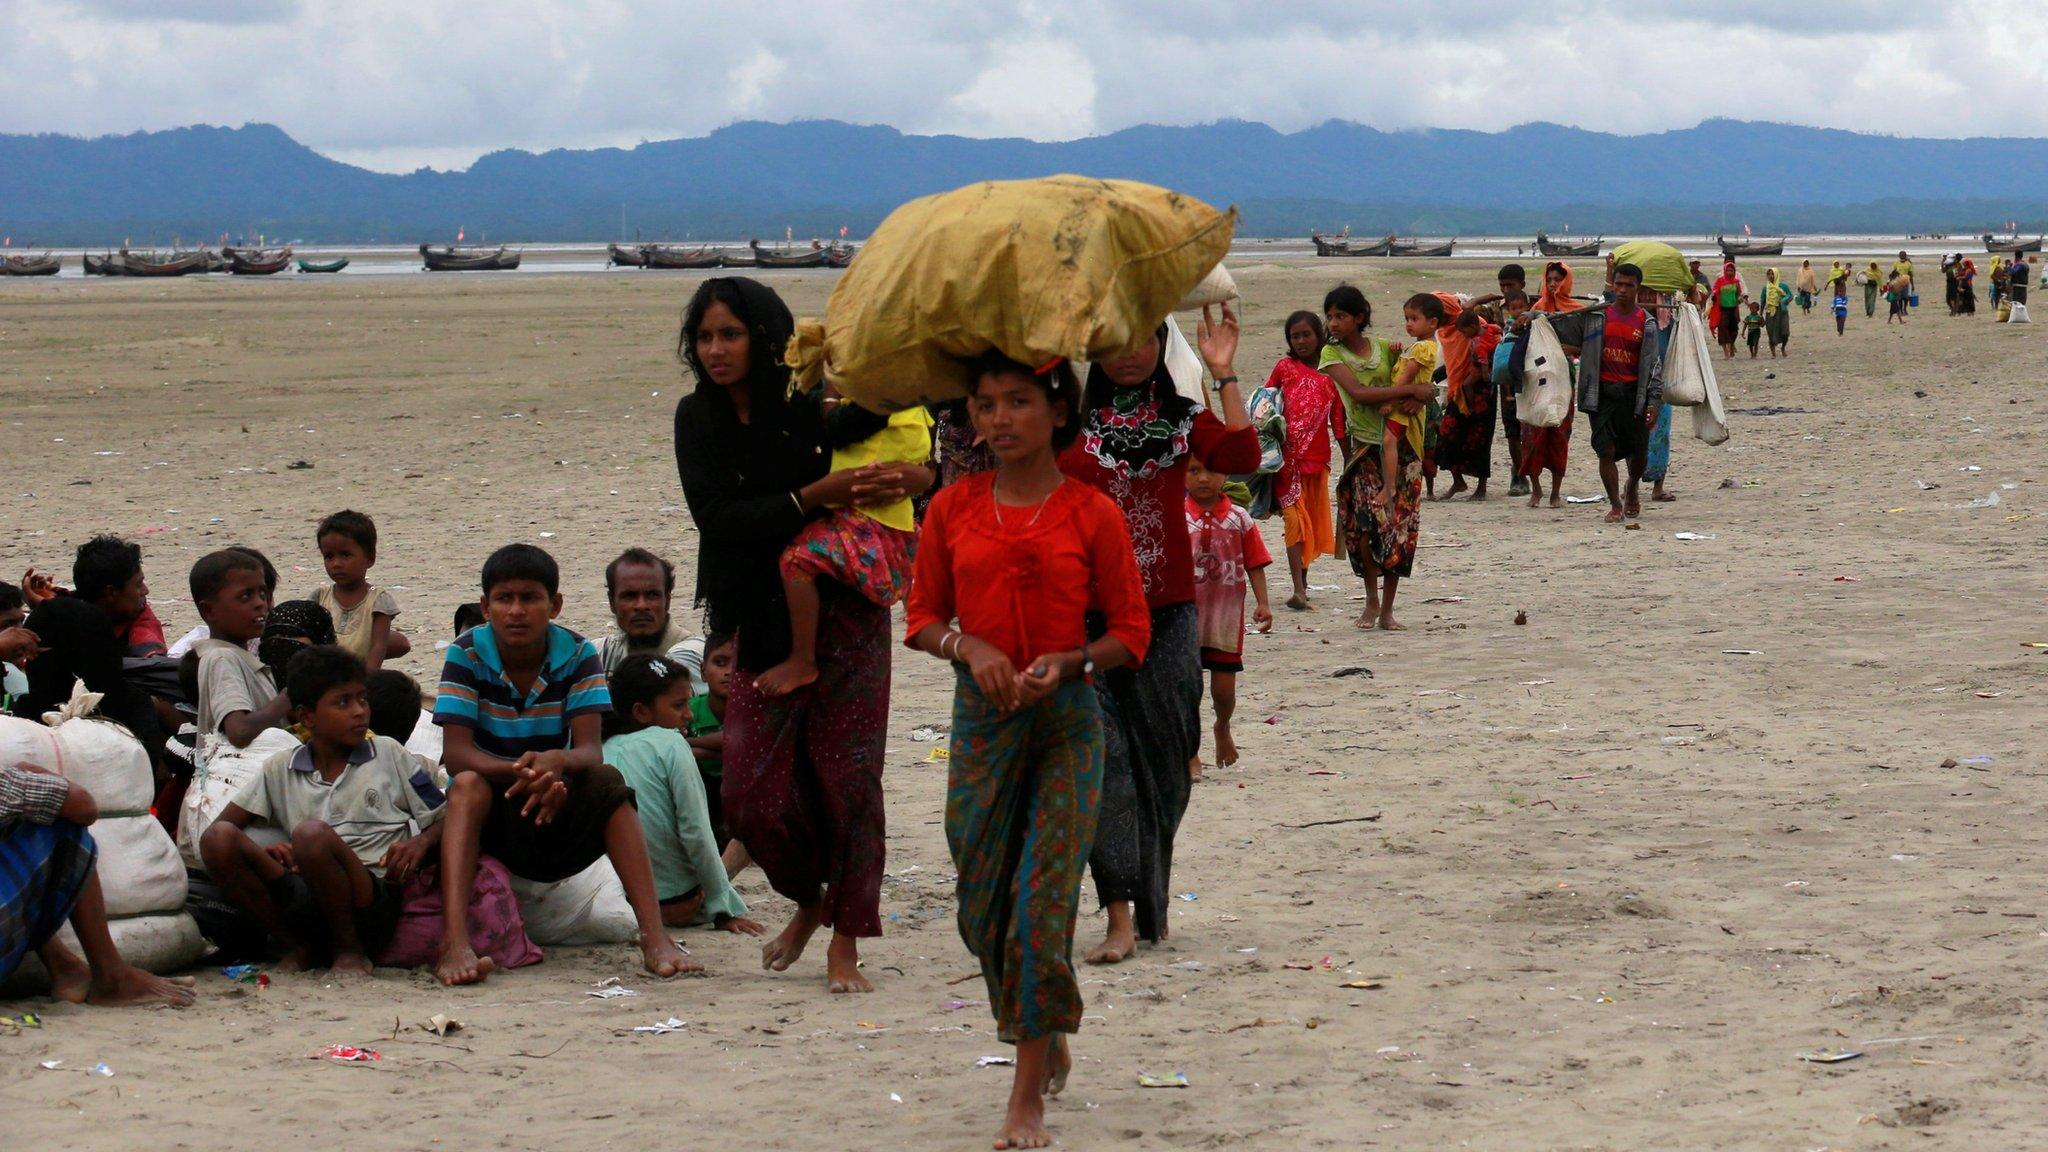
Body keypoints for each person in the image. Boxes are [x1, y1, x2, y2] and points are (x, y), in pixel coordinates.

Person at [903, 350, 1150, 1152]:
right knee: (981, 911)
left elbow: (1130, 632)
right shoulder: (952, 508)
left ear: (1056, 411)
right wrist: (967, 647)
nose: (998, 420)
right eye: (983, 405)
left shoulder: (1092, 513)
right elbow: (921, 616)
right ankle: (1047, 1025)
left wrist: (1072, 661)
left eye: (1016, 401)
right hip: (981, 726)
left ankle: (1024, 1102)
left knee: (1041, 915)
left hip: (1067, 724)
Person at [672, 277, 929, 993]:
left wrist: (922, 470)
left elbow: (888, 445)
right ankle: (810, 899)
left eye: (730, 333)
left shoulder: (809, 403)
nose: (716, 349)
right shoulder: (697, 418)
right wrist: (808, 500)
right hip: (758, 613)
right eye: (705, 336)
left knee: (848, 780)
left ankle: (846, 939)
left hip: (844, 607)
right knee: (751, 790)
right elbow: (719, 519)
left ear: (764, 337)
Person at [1058, 303, 1257, 965]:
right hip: (1086, 620)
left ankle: (1150, 900)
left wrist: (1223, 374)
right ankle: (1119, 912)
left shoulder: (1181, 418)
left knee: (1171, 765)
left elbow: (1242, 455)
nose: (1127, 352)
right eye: (1110, 341)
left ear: (1158, 341)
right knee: (1104, 764)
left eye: (1139, 337)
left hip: (1168, 615)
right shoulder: (1072, 427)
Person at [431, 543, 694, 985]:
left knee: (608, 780)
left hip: (555, 797)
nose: (517, 611)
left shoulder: (576, 654)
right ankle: (454, 942)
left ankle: (655, 936)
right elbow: (457, 756)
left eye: (530, 598)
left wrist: (557, 762)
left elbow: (589, 751)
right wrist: (530, 770)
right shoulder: (466, 654)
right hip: (497, 802)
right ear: (485, 606)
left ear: (553, 605)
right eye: (504, 599)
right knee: (467, 785)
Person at [199, 645, 444, 974]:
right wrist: (270, 849)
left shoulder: (389, 754)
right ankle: (296, 945)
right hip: (308, 893)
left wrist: (421, 842)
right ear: (307, 717)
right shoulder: (280, 768)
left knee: (310, 834)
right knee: (217, 839)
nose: (359, 711)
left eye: (362, 699)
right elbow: (224, 826)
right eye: (343, 702)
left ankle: (350, 950)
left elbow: (445, 818)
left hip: (371, 899)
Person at [754, 388, 931, 698]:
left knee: (795, 561)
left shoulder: (874, 401)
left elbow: (839, 428)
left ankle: (802, 660)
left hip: (864, 517)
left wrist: (831, 395)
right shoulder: (915, 403)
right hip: (898, 519)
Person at [1, 761, 197, 1006]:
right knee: (63, 825)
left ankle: (66, 967)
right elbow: (84, 807)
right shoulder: (7, 784)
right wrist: (33, 772)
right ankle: (111, 976)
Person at [600, 653, 760, 933]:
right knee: (748, 832)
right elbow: (695, 834)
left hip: (620, 900)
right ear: (641, 712)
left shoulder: (599, 750)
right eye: (679, 705)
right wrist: (722, 906)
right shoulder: (671, 743)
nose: (688, 714)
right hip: (677, 902)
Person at [1320, 286, 1432, 628]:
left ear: (1359, 318)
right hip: (1366, 448)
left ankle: (1387, 610)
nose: (1334, 322)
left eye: (1341, 316)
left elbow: (1418, 377)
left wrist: (1418, 398)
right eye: (1331, 316)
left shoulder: (1385, 348)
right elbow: (1360, 393)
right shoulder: (1330, 354)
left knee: (1399, 528)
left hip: (1404, 445)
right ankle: (1370, 599)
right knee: (1368, 526)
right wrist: (1411, 391)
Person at [1537, 262, 1664, 524]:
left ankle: (1632, 487)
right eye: (1618, 284)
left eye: (1629, 285)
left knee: (1638, 454)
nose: (1623, 290)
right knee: (1605, 450)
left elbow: (1653, 367)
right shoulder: (1596, 317)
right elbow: (1558, 327)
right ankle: (1616, 504)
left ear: (1638, 288)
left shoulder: (1647, 323)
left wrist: (1654, 401)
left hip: (1634, 395)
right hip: (1600, 393)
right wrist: (1534, 319)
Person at [1185, 458, 1271, 775]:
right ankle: (1190, 751)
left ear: (1226, 474)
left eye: (1212, 470)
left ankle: (1222, 726)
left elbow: (1255, 562)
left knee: (1223, 691)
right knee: (1188, 690)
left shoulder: (1239, 519)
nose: (1203, 478)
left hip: (1225, 620)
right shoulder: (1176, 518)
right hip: (1185, 621)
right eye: (1194, 471)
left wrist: (1263, 602)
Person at [1263, 311, 1338, 610]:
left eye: (1306, 335)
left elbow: (1340, 421)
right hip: (1286, 461)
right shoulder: (1284, 368)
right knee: (1295, 520)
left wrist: (1350, 458)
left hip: (1317, 461)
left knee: (1311, 522)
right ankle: (1298, 588)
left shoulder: (1332, 373)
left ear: (1318, 336)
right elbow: (1264, 404)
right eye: (1295, 336)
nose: (1301, 341)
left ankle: (1303, 581)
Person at [189, 549, 291, 757]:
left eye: (263, 594)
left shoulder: (241, 657)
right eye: (246, 596)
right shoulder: (221, 658)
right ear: (209, 611)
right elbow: (240, 731)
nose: (260, 603)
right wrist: (290, 695)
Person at [308, 511, 410, 672]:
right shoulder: (319, 598)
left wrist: (365, 684)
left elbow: (378, 647)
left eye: (345, 555)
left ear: (370, 558)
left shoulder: (378, 601)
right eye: (329, 556)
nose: (336, 564)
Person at [1517, 262, 1581, 509]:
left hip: (1563, 381)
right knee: (1532, 434)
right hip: (1536, 379)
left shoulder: (1576, 312)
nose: (1553, 284)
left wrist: (1569, 350)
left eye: (1558, 280)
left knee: (1559, 434)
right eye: (1550, 279)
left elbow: (1586, 345)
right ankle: (1536, 489)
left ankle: (1555, 492)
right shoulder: (1536, 310)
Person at [597, 548, 704, 687]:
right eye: (630, 596)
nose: (641, 606)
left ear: (668, 600)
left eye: (652, 595)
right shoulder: (601, 654)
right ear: (612, 603)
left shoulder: (694, 655)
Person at [1436, 304, 1501, 501]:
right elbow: (1453, 363)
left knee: (1480, 437)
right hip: (1461, 389)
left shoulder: (1479, 339)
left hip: (1483, 391)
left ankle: (1481, 487)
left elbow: (1482, 366)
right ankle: (1458, 481)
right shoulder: (1467, 333)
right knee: (1446, 434)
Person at [685, 632, 737, 856]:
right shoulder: (689, 709)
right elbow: (671, 747)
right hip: (702, 792)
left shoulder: (752, 710)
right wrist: (719, 753)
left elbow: (732, 741)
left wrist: (691, 745)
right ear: (703, 670)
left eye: (739, 664)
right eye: (720, 662)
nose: (729, 672)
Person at [1707, 261, 1744, 359]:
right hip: (1722, 309)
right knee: (1723, 330)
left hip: (1733, 309)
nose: (1729, 272)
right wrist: (1714, 295)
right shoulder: (1720, 281)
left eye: (1731, 271)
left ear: (1734, 271)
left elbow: (1739, 293)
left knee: (1734, 330)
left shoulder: (1736, 282)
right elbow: (1714, 290)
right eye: (1728, 270)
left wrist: (1740, 299)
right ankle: (1726, 352)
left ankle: (1731, 346)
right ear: (1724, 271)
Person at [1762, 268, 1794, 354]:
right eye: (1768, 274)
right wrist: (1760, 315)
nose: (1770, 276)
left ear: (1776, 274)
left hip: (1782, 311)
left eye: (1772, 274)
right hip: (1770, 312)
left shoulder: (1783, 286)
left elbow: (1790, 296)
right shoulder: (1766, 288)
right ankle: (1773, 353)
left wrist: (1785, 301)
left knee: (1785, 332)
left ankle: (1783, 347)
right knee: (1771, 333)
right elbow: (1762, 301)